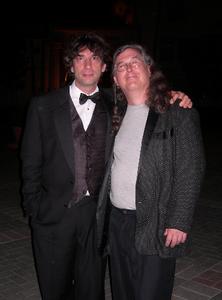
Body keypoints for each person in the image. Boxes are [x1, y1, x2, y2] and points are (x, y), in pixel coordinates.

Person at [20, 32, 193, 300]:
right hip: (53, 217)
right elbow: (29, 163)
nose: (88, 65)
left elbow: (148, 96)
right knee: (55, 289)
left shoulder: (116, 102)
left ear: (104, 68)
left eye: (95, 58)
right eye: (80, 59)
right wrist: (36, 208)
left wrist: (174, 94)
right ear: (71, 65)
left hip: (97, 219)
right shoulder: (43, 106)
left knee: (92, 290)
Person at [96, 44, 205, 300]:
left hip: (156, 221)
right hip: (118, 221)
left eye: (135, 61)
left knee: (150, 293)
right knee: (123, 291)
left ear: (149, 68)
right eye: (121, 66)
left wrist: (178, 221)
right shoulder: (114, 114)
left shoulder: (176, 111)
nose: (128, 68)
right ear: (115, 79)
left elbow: (191, 168)